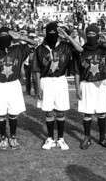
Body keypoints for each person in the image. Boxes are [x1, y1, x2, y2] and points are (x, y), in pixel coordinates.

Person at [0, 27, 36, 150]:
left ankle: (13, 137)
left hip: (13, 85)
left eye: (6, 35)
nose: (4, 38)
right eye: (1, 35)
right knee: (1, 115)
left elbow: (35, 44)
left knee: (13, 114)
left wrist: (21, 37)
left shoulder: (18, 49)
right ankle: (3, 138)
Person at [33, 22, 83, 150]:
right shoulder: (40, 49)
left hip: (60, 80)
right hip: (46, 81)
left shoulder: (66, 46)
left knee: (60, 111)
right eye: (49, 32)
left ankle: (61, 138)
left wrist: (67, 36)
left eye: (54, 32)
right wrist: (37, 88)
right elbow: (36, 70)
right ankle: (50, 138)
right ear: (45, 33)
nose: (52, 34)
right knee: (49, 112)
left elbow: (80, 49)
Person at [74, 24, 106, 150]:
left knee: (102, 112)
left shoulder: (103, 48)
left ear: (98, 35)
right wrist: (77, 88)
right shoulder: (81, 50)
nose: (91, 37)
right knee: (88, 113)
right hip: (87, 83)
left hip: (101, 83)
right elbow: (77, 71)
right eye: (88, 34)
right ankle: (87, 137)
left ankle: (102, 138)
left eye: (93, 34)